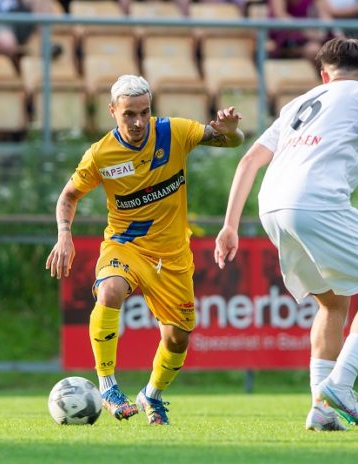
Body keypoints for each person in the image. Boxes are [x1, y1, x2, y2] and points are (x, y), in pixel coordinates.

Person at [214, 37, 358, 432]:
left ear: (323, 76)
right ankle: (341, 385)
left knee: (332, 304)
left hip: (272, 207)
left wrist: (229, 225)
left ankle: (322, 409)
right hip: (316, 203)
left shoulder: (297, 103)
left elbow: (249, 161)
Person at [46, 74, 244, 426]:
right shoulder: (100, 154)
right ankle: (108, 386)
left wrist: (232, 131)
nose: (138, 122)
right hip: (126, 246)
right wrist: (64, 234)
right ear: (112, 111)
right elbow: (69, 196)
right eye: (129, 114)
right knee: (109, 290)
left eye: (144, 112)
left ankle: (152, 394)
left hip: (172, 256)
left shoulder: (174, 132)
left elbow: (231, 140)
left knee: (178, 339)